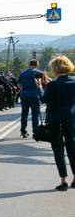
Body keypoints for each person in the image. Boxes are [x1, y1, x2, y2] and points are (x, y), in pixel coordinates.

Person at [42, 56, 75, 191]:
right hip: (71, 120)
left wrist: (40, 87)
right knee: (72, 149)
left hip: (55, 121)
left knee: (58, 151)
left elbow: (43, 100)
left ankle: (63, 181)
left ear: (55, 68)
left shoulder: (52, 85)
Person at [19, 60, 45, 138]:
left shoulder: (23, 73)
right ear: (36, 65)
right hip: (34, 95)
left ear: (29, 64)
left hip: (24, 95)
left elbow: (19, 85)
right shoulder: (38, 72)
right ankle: (35, 132)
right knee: (35, 114)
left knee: (24, 114)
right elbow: (41, 83)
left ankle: (23, 131)